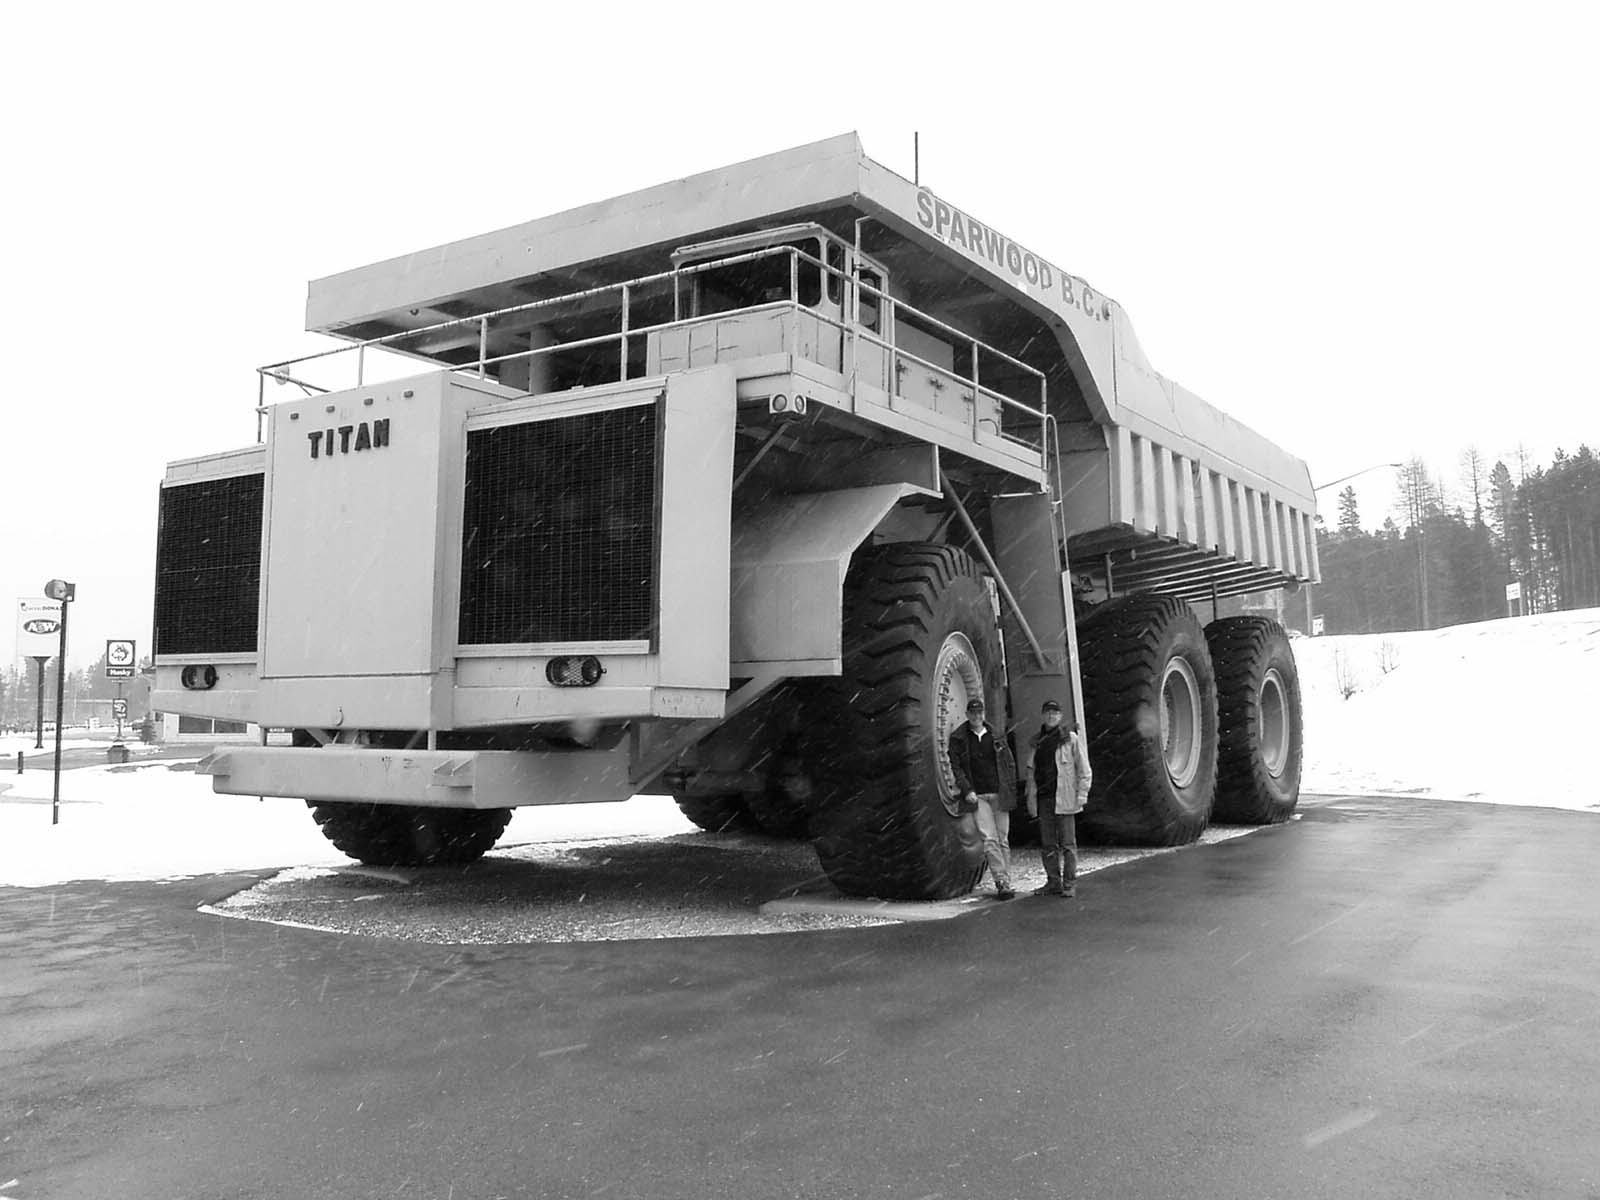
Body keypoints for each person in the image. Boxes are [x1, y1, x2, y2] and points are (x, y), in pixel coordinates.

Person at [948, 696, 1018, 900]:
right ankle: (1002, 881)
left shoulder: (996, 734)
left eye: (980, 713)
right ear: (967, 714)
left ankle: (1006, 878)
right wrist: (967, 789)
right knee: (989, 839)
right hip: (977, 796)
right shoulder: (959, 738)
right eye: (973, 713)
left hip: (999, 792)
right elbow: (956, 766)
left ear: (983, 714)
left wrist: (1010, 788)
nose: (977, 716)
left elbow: (1008, 764)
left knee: (1003, 838)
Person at [1023, 699, 1092, 897]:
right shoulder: (1036, 742)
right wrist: (1030, 798)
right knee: (1048, 844)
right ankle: (1053, 882)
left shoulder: (1070, 739)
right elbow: (1030, 773)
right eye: (1048, 713)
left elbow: (1084, 769)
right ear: (1043, 716)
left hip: (1065, 798)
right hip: (1044, 799)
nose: (1051, 716)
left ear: (1060, 716)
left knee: (1068, 844)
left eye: (1055, 713)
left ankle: (1069, 883)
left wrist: (1082, 794)